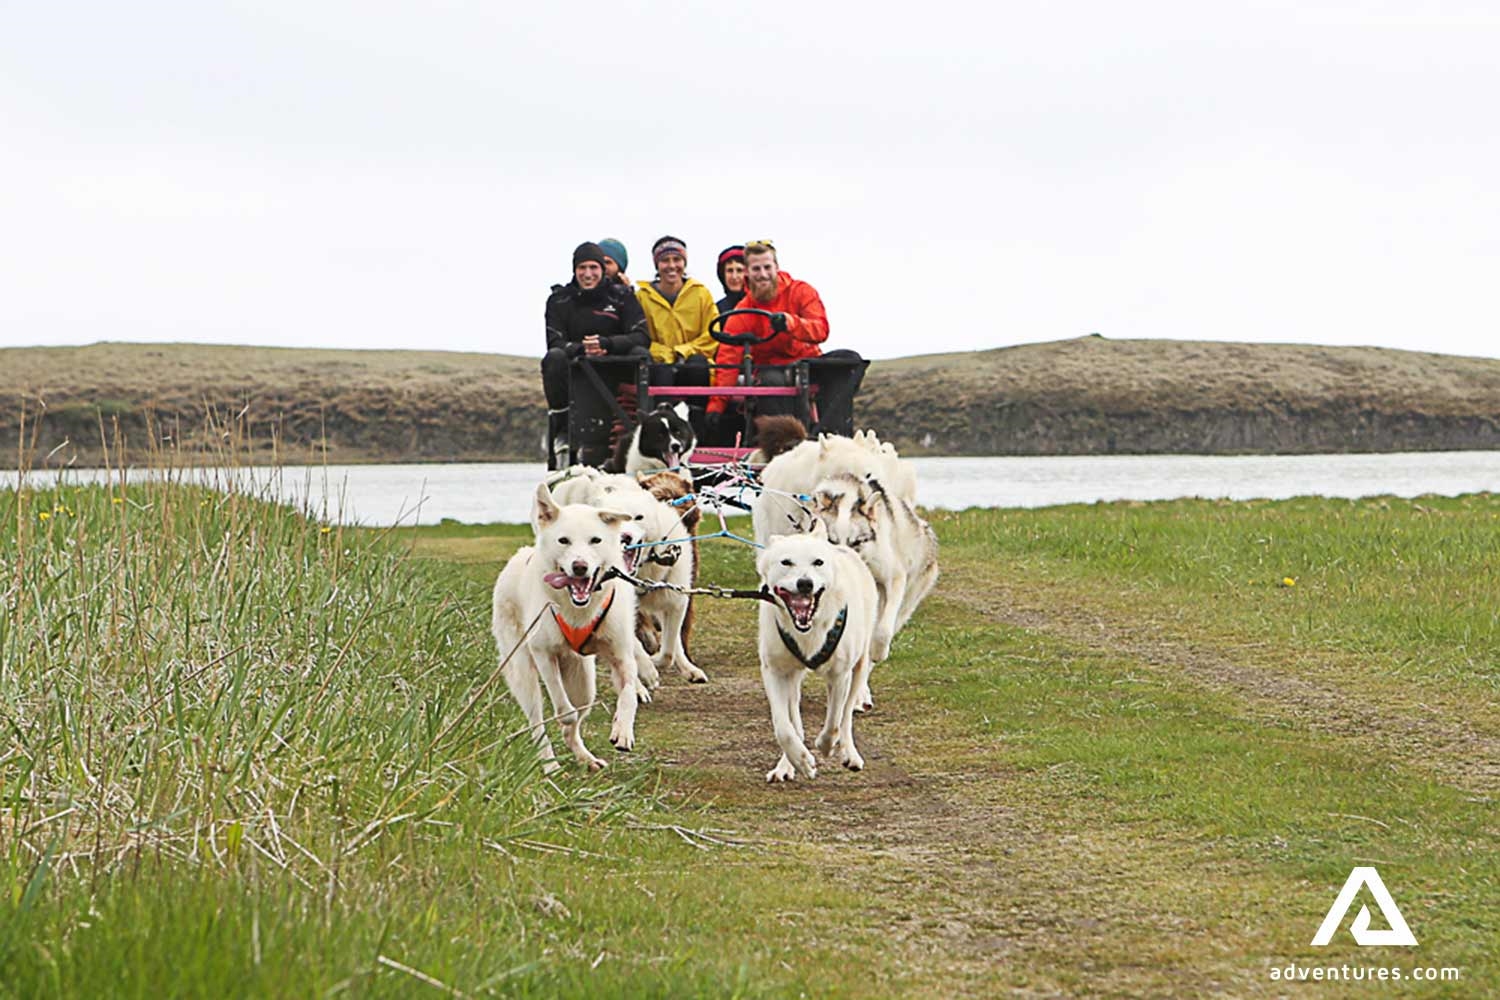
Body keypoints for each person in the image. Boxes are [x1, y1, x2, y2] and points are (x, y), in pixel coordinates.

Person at [706, 240, 865, 442]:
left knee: (849, 360)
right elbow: (728, 360)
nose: (762, 274)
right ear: (747, 272)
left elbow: (821, 329)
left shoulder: (801, 291)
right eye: (756, 269)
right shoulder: (742, 312)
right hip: (770, 370)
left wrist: (791, 324)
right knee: (771, 380)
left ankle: (832, 436)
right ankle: (786, 444)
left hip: (807, 362)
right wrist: (716, 406)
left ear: (776, 267)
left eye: (767, 267)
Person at [543, 242, 650, 466]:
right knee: (554, 358)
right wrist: (584, 348)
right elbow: (555, 341)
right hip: (577, 373)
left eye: (594, 267)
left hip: (615, 370)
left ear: (602, 270)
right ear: (574, 270)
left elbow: (641, 336)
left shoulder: (621, 296)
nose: (588, 274)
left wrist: (608, 344)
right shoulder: (559, 300)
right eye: (582, 268)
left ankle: (644, 427)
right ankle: (561, 427)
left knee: (641, 354)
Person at [635, 235, 719, 400]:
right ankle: (662, 420)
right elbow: (639, 336)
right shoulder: (642, 297)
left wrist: (684, 352)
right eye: (665, 260)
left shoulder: (701, 293)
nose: (672, 266)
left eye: (677, 259)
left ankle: (698, 421)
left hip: (694, 367)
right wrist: (665, 354)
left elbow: (712, 334)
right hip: (659, 366)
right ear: (657, 264)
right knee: (661, 370)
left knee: (697, 364)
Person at [715, 245, 746, 314]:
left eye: (739, 270)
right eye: (730, 270)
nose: (734, 276)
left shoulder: (761, 305)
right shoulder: (715, 310)